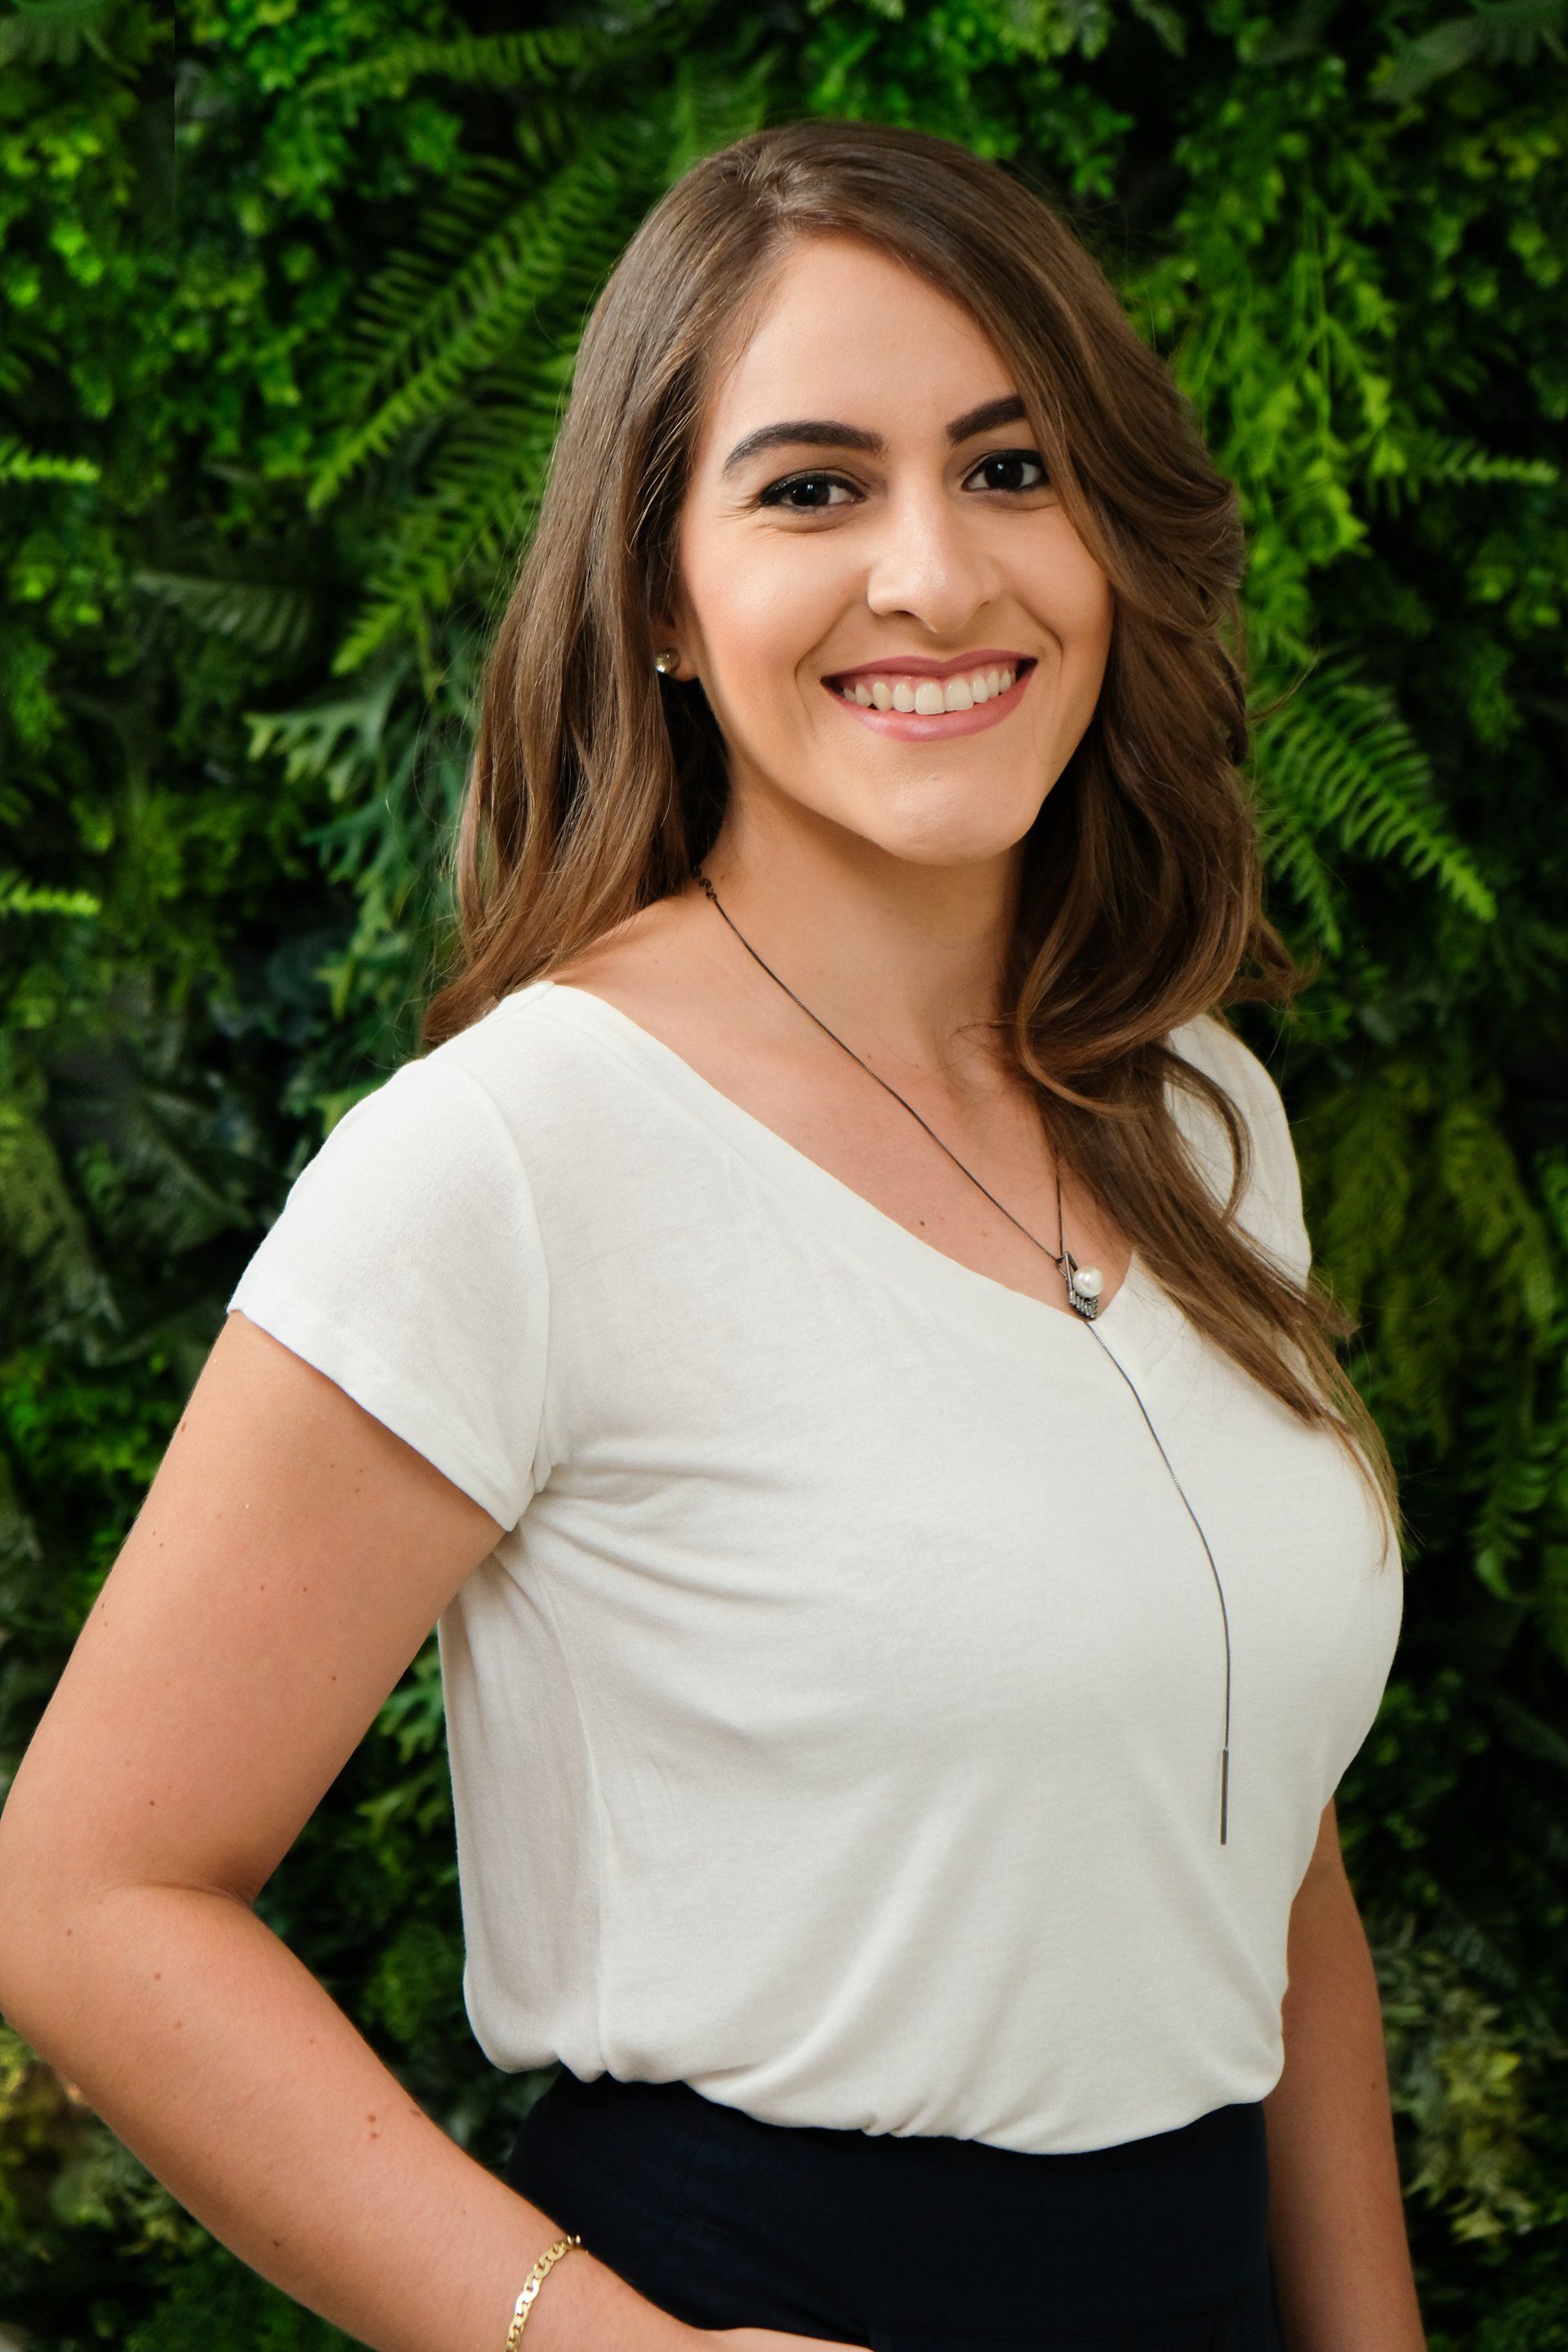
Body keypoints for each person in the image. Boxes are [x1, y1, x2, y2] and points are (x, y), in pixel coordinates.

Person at [0, 118, 1425, 2352]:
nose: (938, 578)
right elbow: (84, 1901)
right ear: (664, 595)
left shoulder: (1201, 1111)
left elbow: (1256, 1851)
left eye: (1011, 467)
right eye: (813, 487)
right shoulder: (508, 1163)